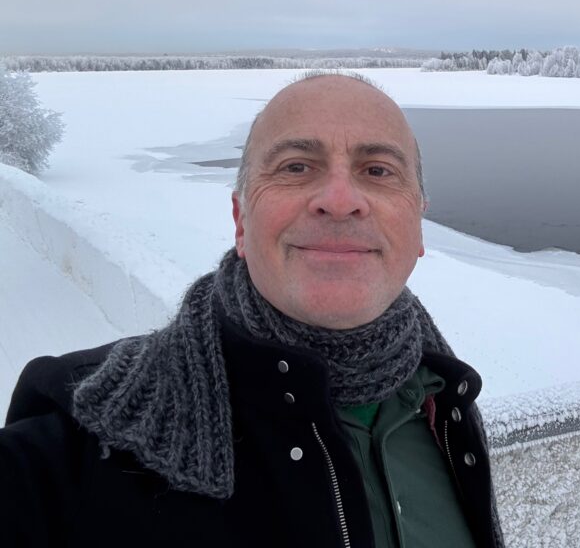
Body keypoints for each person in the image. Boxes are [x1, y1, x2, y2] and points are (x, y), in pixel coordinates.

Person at [0, 72, 504, 547]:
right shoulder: (81, 444)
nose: (340, 199)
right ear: (241, 221)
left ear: (418, 224)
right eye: (296, 167)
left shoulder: (444, 402)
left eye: (377, 170)